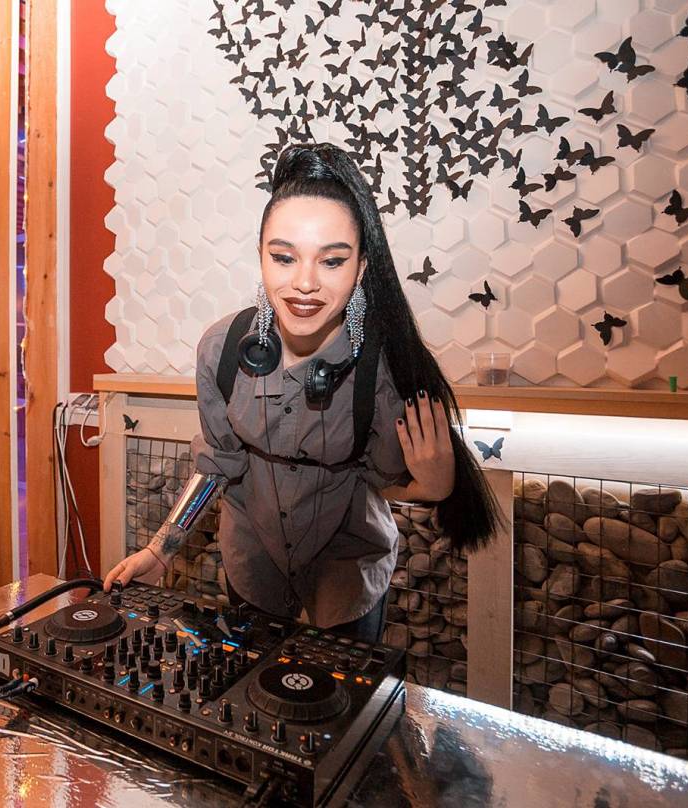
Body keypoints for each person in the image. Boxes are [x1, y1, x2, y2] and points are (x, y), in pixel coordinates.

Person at [104, 143, 502, 643]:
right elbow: (218, 464)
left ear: (361, 268)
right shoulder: (220, 350)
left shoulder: (383, 368)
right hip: (252, 566)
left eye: (331, 261)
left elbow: (383, 480)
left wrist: (434, 487)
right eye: (284, 257)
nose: (305, 283)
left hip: (348, 576)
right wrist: (161, 551)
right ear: (261, 257)